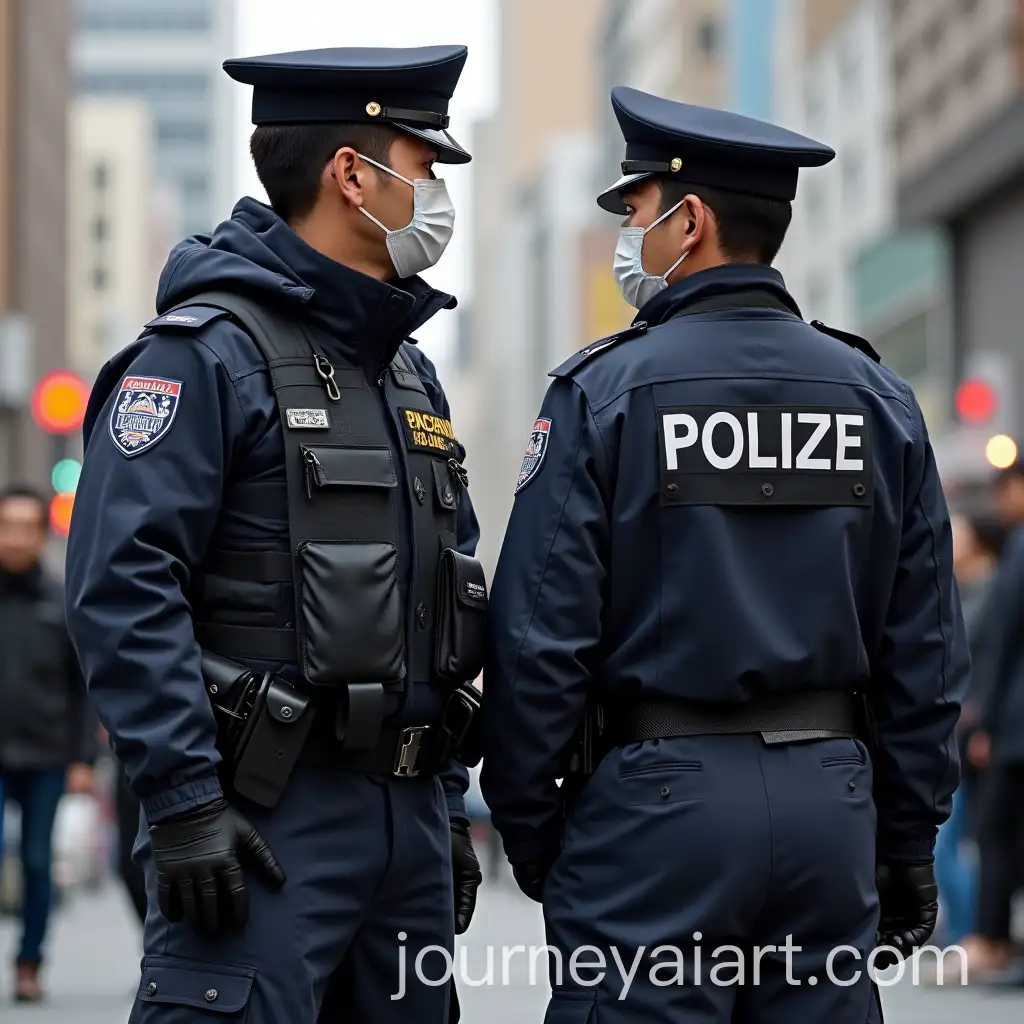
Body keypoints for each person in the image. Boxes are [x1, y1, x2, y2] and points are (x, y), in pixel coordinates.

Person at [481, 87, 967, 1024]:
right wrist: (908, 837)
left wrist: (533, 828)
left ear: (689, 220)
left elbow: (539, 638)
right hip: (832, 802)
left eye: (634, 212)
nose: (630, 234)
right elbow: (928, 650)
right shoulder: (877, 399)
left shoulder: (604, 393)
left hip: (657, 808)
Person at [65, 46, 483, 1023]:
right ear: (352, 174)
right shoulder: (204, 358)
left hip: (408, 830)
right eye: (422, 168)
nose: (433, 197)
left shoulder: (409, 376)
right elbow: (120, 587)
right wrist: (183, 798)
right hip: (261, 818)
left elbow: (445, 600)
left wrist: (448, 807)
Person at [0, 484, 97, 1002]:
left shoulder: (60, 602)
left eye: (25, 528)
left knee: (38, 861)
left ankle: (29, 962)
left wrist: (84, 758)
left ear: (41, 534)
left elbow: (84, 687)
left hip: (46, 754)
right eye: (6, 526)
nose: (14, 538)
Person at [961, 465, 1024, 981]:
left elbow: (1002, 640)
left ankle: (990, 940)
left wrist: (985, 721)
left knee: (995, 832)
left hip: (1014, 725)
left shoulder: (1020, 547)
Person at [932, 511, 1003, 956]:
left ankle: (970, 934)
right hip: (959, 733)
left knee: (952, 843)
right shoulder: (961, 593)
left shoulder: (994, 592)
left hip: (974, 734)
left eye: (958, 532)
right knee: (952, 841)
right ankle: (965, 932)